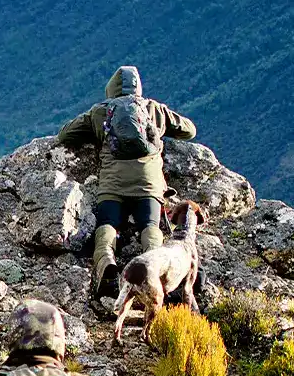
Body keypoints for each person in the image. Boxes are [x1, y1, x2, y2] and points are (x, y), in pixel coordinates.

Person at [56, 65, 197, 297]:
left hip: (113, 183)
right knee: (150, 227)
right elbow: (189, 130)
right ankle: (155, 272)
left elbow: (65, 135)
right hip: (148, 184)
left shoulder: (100, 111)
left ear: (111, 89)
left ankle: (106, 265)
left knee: (107, 225)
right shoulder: (154, 109)